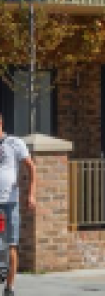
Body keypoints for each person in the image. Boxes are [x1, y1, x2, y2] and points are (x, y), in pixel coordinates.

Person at [0, 111, 35, 296]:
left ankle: (9, 288)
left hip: (10, 202)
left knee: (12, 244)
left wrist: (31, 193)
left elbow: (31, 167)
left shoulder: (14, 142)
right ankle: (1, 267)